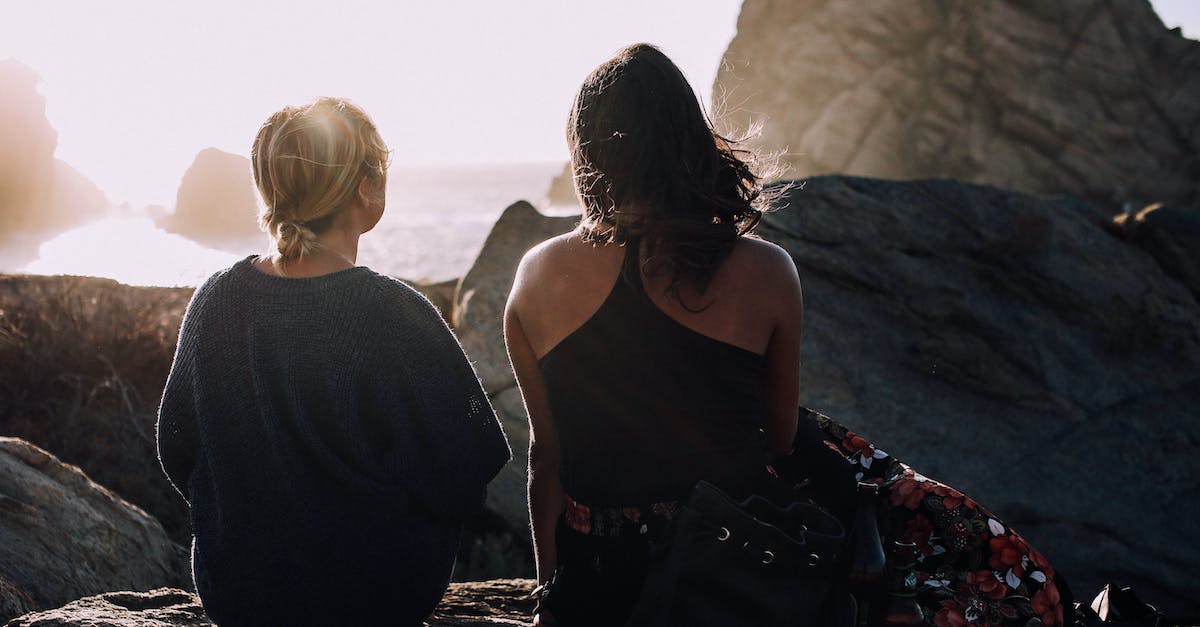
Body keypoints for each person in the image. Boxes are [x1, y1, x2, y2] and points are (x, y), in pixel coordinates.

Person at [504, 43, 839, 627]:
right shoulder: (767, 270)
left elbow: (547, 457)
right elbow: (782, 441)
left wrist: (552, 591)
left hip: (602, 581)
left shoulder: (536, 275)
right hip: (729, 572)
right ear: (690, 138)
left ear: (587, 151)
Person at [156, 97, 510, 626]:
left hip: (240, 599)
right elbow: (464, 476)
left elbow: (175, 447)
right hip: (377, 599)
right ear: (366, 189)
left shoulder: (215, 300)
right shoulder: (397, 313)